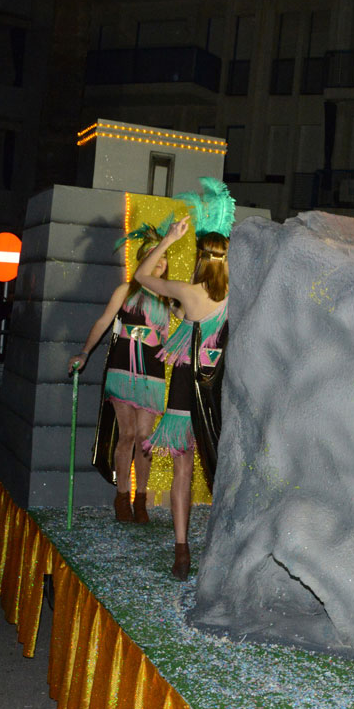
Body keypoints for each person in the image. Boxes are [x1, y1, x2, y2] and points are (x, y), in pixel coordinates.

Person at [136, 183, 234, 580]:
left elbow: (142, 275)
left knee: (184, 471)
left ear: (199, 257)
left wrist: (169, 240)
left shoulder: (189, 294)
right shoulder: (237, 294)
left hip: (185, 386)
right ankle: (217, 548)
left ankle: (182, 550)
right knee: (224, 470)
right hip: (220, 388)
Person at [67, 226, 171, 524]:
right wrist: (84, 353)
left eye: (163, 259)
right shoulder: (125, 291)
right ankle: (122, 498)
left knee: (145, 438)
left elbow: (170, 336)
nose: (159, 262)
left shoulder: (167, 298)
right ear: (143, 260)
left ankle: (141, 501)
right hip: (123, 367)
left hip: (152, 371)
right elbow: (102, 323)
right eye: (153, 256)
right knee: (126, 435)